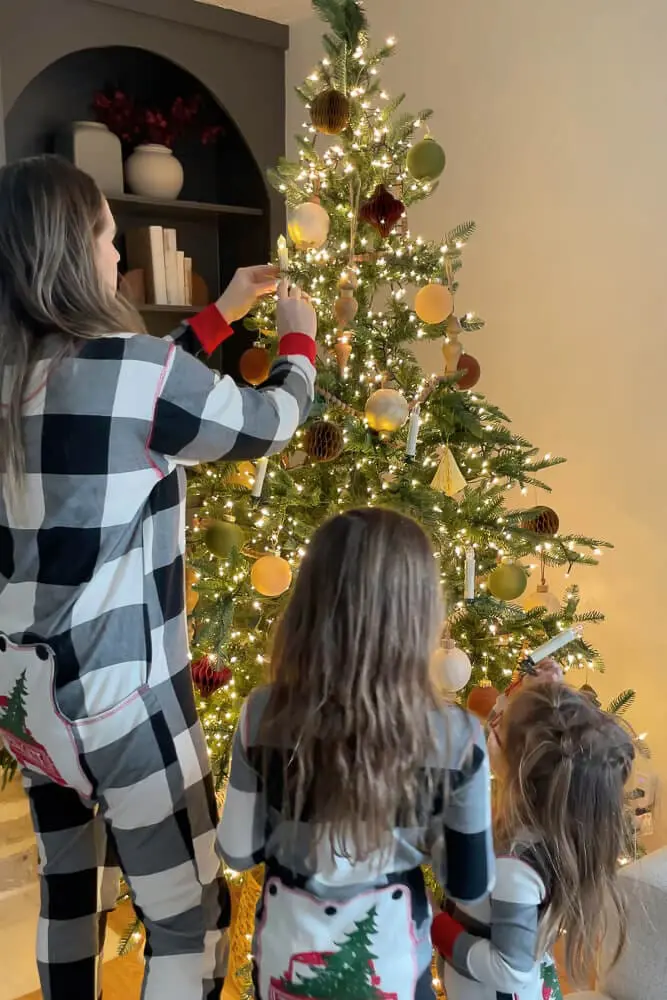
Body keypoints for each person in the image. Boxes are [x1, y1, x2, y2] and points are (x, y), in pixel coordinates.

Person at [0, 155, 317, 1000]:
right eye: (107, 234)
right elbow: (266, 422)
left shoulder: (21, 377)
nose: (117, 254)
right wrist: (297, 337)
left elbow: (126, 396)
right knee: (185, 918)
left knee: (70, 894)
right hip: (123, 701)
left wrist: (219, 316)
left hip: (24, 697)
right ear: (73, 251)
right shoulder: (131, 373)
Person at [217, 507, 495, 1000]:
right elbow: (470, 885)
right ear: (419, 614)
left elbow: (238, 851)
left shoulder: (262, 713)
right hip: (390, 970)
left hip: (285, 964)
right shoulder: (458, 737)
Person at [432, 681, 635, 1000]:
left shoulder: (516, 865)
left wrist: (435, 923)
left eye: (499, 721)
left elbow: (510, 971)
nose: (492, 724)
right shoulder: (539, 826)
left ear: (520, 767)